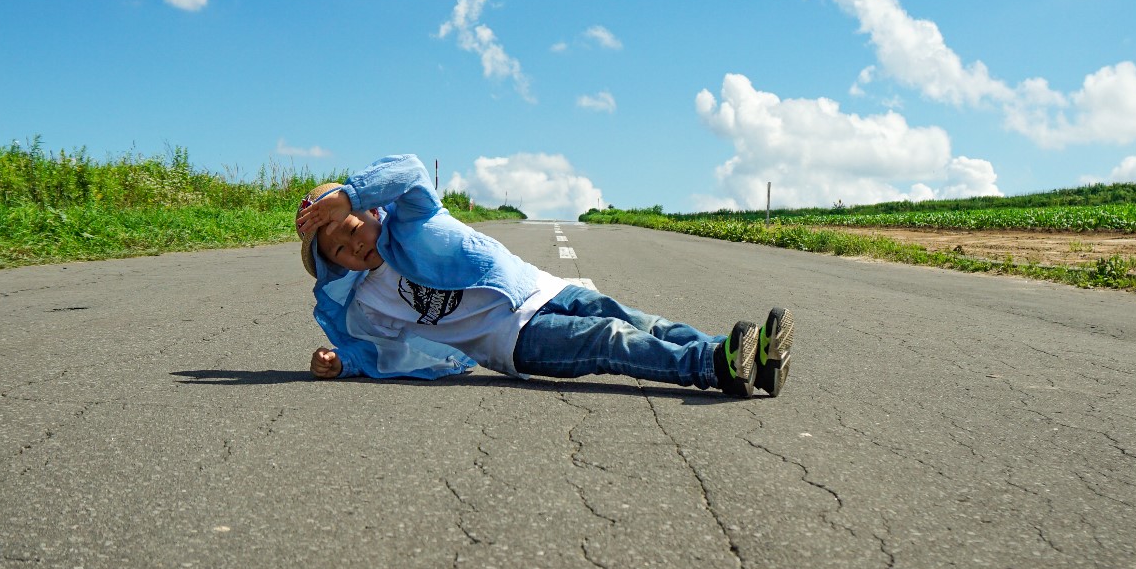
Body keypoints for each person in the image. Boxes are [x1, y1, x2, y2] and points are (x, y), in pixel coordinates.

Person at [296, 155, 792, 396]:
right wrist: (342, 361)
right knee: (609, 338)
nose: (351, 244)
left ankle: (747, 357)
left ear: (371, 211)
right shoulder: (366, 303)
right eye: (337, 249)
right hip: (512, 338)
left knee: (642, 321)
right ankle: (715, 367)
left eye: (352, 225)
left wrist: (349, 193)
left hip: (539, 286)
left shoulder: (413, 218)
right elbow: (373, 348)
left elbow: (410, 168)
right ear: (333, 265)